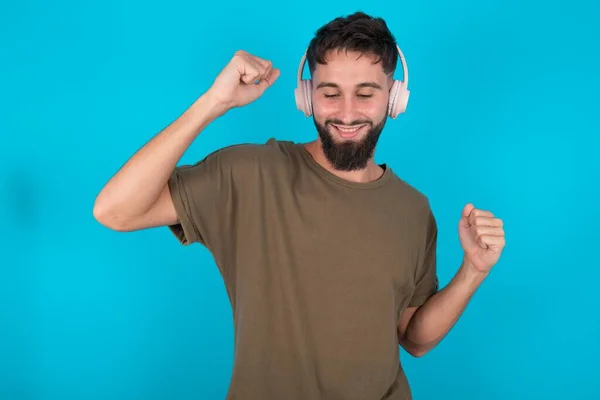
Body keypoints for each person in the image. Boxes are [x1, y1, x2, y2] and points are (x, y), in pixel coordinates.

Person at [93, 11, 506, 400]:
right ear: (306, 96)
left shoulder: (414, 209)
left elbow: (414, 340)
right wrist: (213, 103)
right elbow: (115, 210)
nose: (347, 113)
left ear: (394, 98)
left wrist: (473, 271)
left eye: (366, 94)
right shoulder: (250, 173)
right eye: (330, 93)